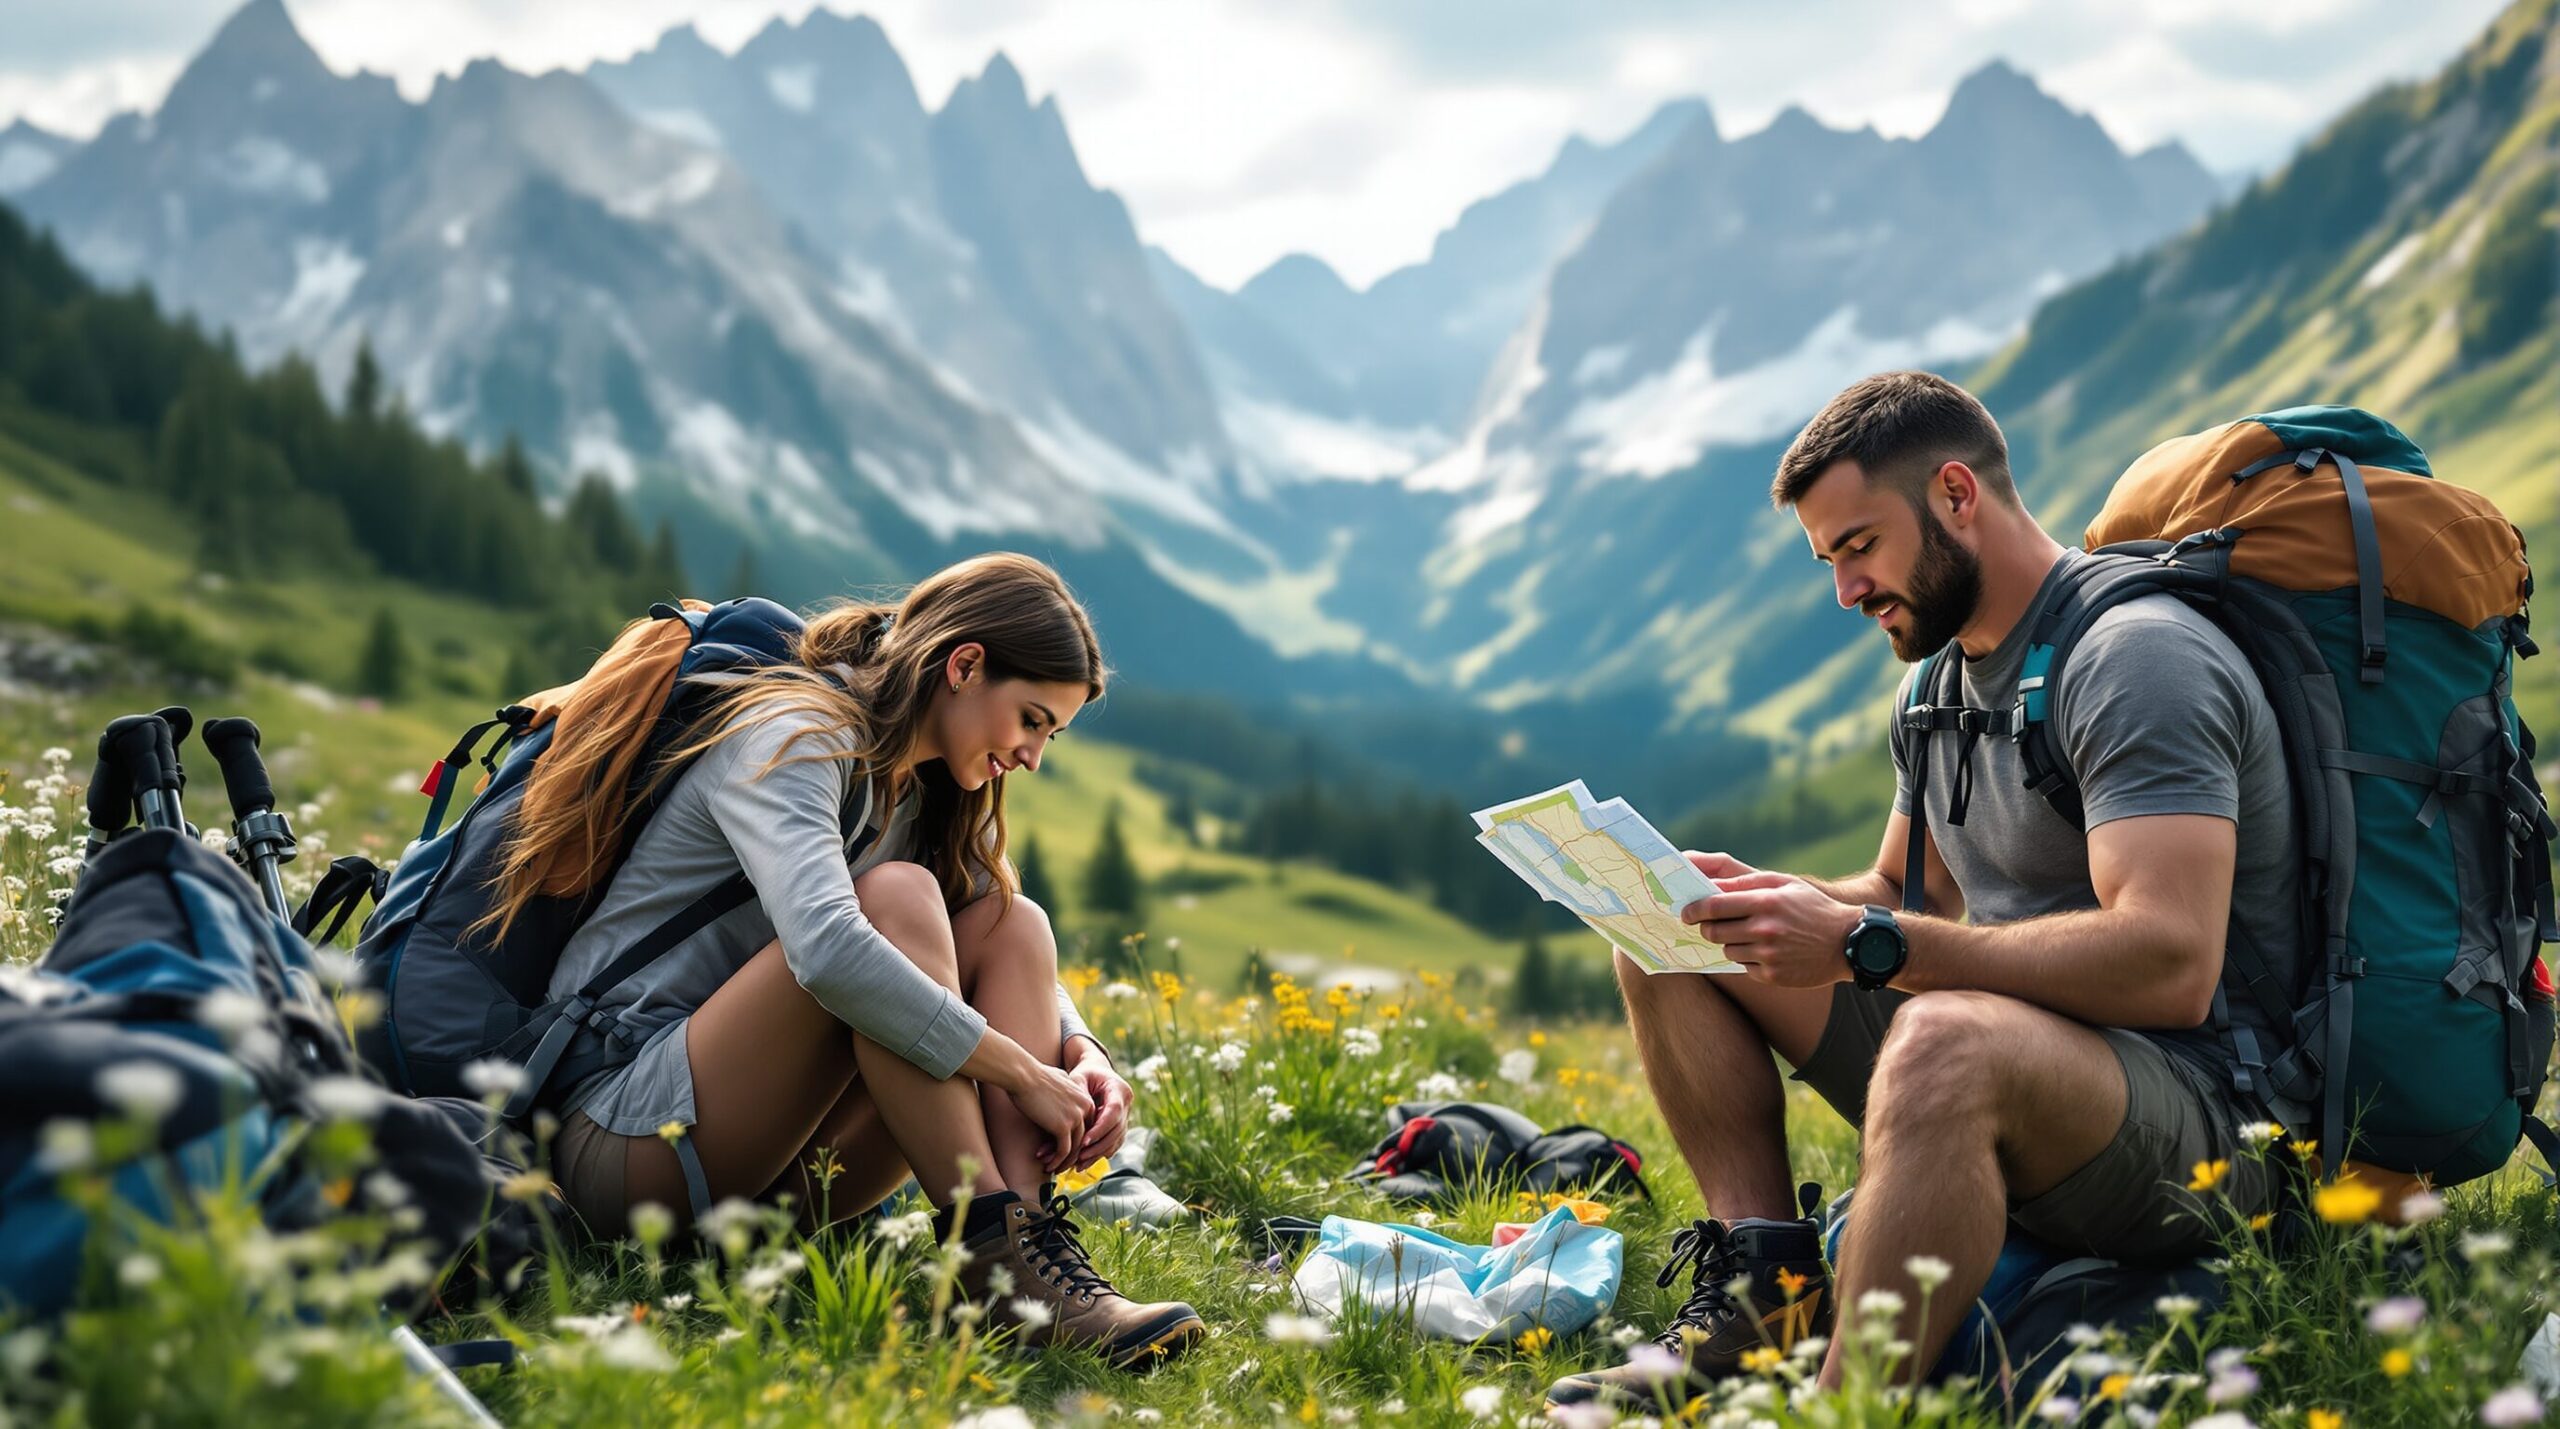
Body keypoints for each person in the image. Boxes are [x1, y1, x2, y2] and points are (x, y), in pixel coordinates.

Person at [1550, 371, 2291, 1411]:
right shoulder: (1939, 687)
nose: (1845, 591)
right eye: (1827, 561)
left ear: (1954, 495)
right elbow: (1906, 896)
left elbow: (2170, 962)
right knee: (1673, 934)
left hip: (2212, 1114)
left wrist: (1866, 941)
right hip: (2041, 1062)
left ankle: (1846, 1407)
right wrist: (1751, 897)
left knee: (1945, 1037)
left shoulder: (2135, 661)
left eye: (1858, 547)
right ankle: (1769, 1292)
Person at [515, 552, 1203, 1368]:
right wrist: (1023, 1072)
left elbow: (1016, 961)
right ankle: (992, 1257)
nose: (1033, 756)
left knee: (1010, 921)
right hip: (622, 1141)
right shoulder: (791, 737)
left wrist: (1083, 1054)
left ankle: (1023, 1262)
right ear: (965, 665)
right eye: (1030, 719)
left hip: (760, 1165)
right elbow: (830, 953)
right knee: (899, 902)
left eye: (1050, 733)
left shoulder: (918, 789)